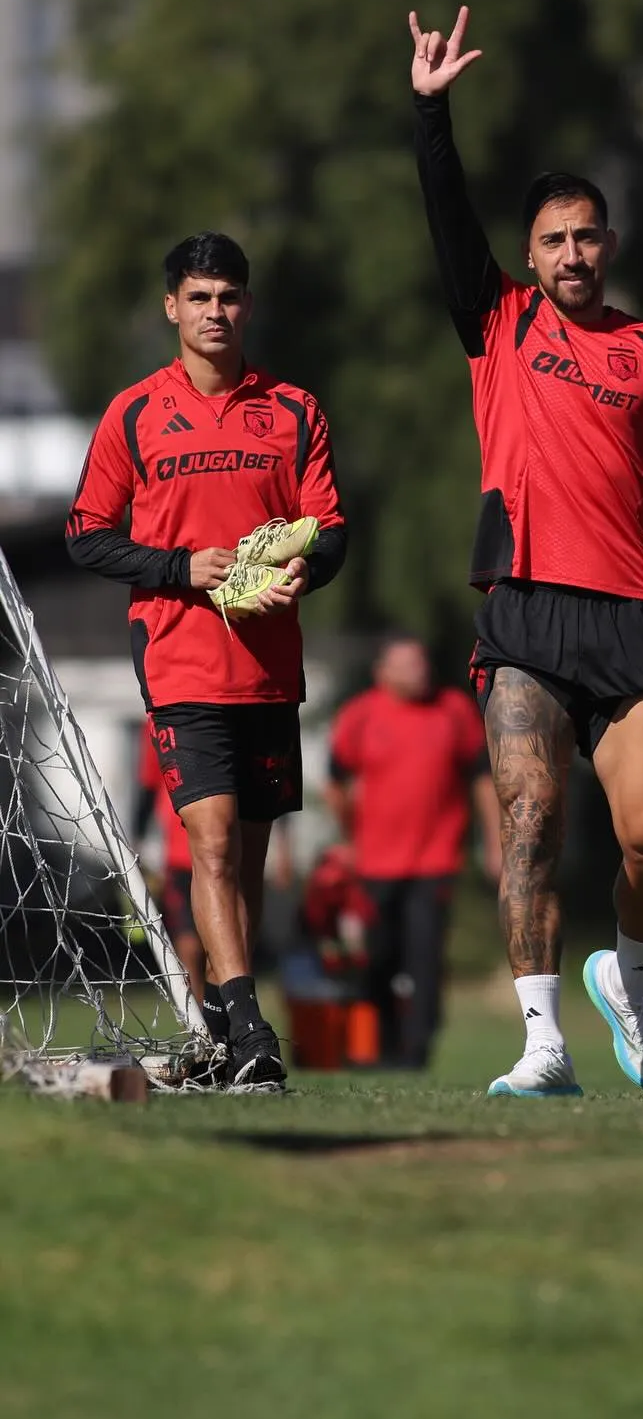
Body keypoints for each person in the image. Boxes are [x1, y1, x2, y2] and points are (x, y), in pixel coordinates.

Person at [409, 8, 643, 1098]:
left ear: (607, 243)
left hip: (630, 618)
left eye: (587, 234)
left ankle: (627, 976)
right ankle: (543, 1042)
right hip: (527, 608)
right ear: (528, 258)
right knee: (530, 818)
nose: (572, 253)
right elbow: (444, 219)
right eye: (553, 240)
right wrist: (432, 113)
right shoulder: (498, 327)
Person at [67, 232, 347, 1089]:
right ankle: (254, 1029)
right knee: (213, 842)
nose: (214, 312)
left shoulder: (294, 409)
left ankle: (225, 1025)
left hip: (267, 665)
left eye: (228, 297)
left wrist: (306, 570)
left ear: (247, 306)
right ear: (171, 308)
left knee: (247, 856)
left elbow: (329, 527)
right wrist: (178, 569)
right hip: (180, 660)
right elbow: (86, 532)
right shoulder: (135, 413)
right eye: (199, 297)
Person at [325, 635, 490, 1069]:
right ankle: (375, 1043)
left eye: (422, 663)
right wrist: (348, 838)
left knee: (425, 957)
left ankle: (416, 1051)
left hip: (434, 860)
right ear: (383, 672)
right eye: (408, 665)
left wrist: (496, 843)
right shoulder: (360, 715)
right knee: (374, 956)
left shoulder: (453, 709)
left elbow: (482, 780)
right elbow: (334, 781)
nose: (420, 671)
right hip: (373, 864)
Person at [133, 720, 204, 1008]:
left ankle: (210, 1011)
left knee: (200, 939)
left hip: (206, 847)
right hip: (181, 848)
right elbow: (149, 786)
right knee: (190, 939)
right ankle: (203, 1013)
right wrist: (135, 840)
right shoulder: (155, 722)